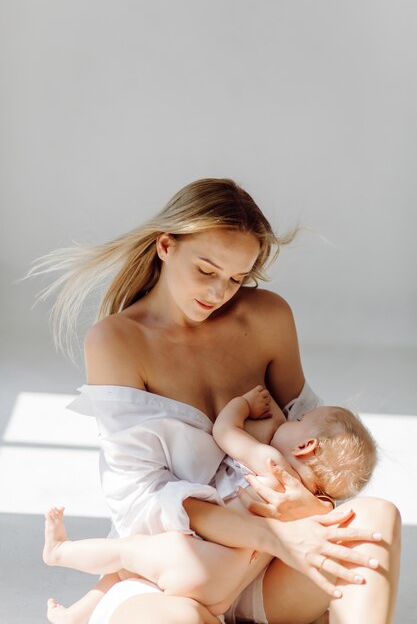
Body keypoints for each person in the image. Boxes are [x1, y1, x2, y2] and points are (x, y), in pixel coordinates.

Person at [32, 178, 401, 624]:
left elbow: (308, 445)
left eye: (236, 278)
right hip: (174, 574)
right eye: (207, 271)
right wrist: (277, 537)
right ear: (166, 246)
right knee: (182, 619)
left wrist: (309, 512)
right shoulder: (116, 341)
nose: (218, 293)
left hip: (262, 569)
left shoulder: (267, 317)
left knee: (377, 519)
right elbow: (145, 498)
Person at [42, 385, 378, 624]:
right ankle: (74, 616)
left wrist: (244, 404)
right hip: (224, 590)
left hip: (200, 561)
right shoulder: (313, 504)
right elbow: (278, 428)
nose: (286, 420)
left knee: (125, 554)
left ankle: (59, 552)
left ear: (304, 445)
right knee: (129, 564)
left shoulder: (271, 461)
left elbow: (225, 431)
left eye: (297, 421)